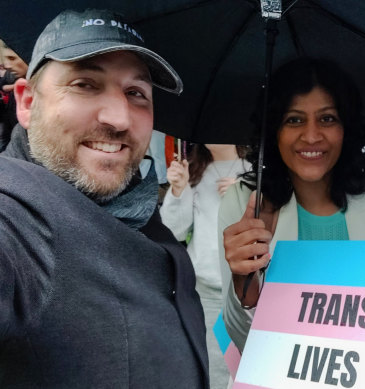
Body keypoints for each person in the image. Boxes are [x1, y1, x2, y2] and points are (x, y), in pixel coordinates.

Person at [0, 9, 209, 388]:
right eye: (84, 84)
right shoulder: (16, 214)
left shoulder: (138, 207)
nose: (120, 118)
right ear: (28, 102)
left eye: (136, 93)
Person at [219, 57, 365, 351]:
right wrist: (243, 286)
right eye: (294, 119)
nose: (311, 136)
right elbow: (239, 341)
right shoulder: (244, 204)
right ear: (274, 131)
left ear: (347, 128)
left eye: (327, 118)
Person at [160, 143, 250, 388]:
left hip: (245, 290)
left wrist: (244, 195)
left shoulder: (254, 172)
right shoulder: (194, 171)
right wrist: (178, 190)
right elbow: (174, 229)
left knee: (246, 360)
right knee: (210, 361)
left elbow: (267, 231)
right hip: (204, 288)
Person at [0, 40, 28, 151]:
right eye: (5, 58)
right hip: (8, 125)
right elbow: (2, 86)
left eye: (12, 58)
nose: (6, 65)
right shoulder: (10, 75)